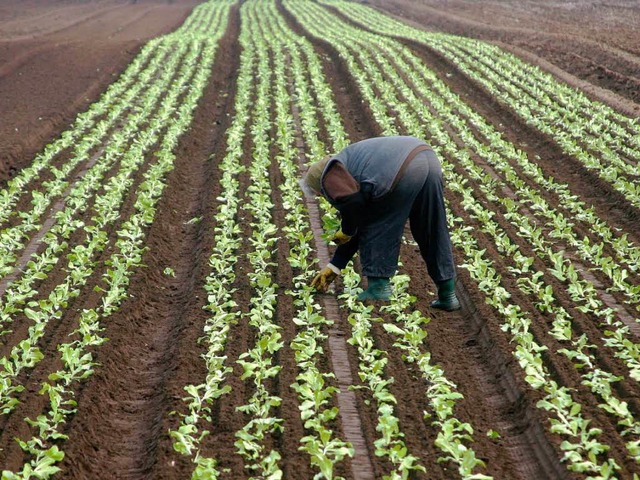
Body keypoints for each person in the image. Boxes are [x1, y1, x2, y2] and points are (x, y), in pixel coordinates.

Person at [303, 135, 460, 311]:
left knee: (378, 224)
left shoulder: (328, 175)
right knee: (431, 227)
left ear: (320, 186)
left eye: (319, 194)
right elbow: (357, 214)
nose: (323, 197)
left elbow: (356, 210)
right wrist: (335, 265)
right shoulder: (349, 164)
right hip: (426, 158)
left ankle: (378, 288)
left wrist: (346, 230)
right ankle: (448, 294)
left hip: (399, 169)